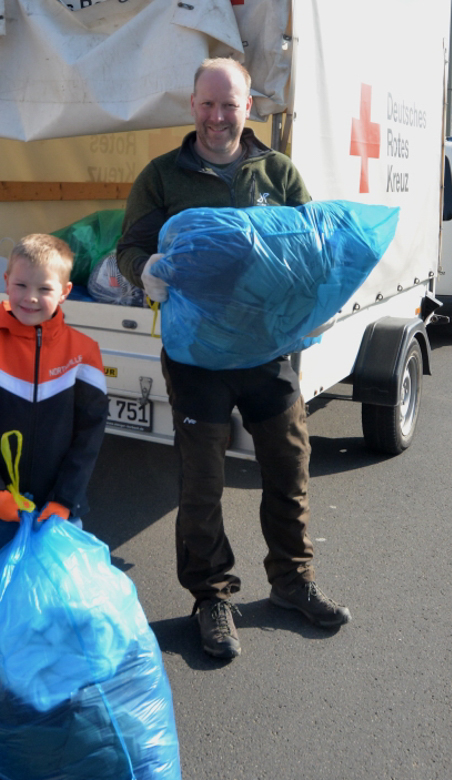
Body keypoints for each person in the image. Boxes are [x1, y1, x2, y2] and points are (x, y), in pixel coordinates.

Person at [116, 56, 351, 661]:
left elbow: (313, 252)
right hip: (196, 356)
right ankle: (211, 597)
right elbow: (130, 247)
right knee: (203, 481)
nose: (218, 116)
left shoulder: (276, 174)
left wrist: (314, 307)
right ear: (192, 104)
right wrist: (145, 272)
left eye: (231, 104)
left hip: (268, 349)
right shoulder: (163, 176)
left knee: (289, 466)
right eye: (208, 103)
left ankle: (293, 582)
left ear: (250, 107)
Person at [0, 234, 109, 559]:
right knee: (9, 592)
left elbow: (89, 437)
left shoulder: (84, 352)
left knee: (59, 590)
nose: (31, 298)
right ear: (7, 281)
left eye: (45, 289)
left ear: (65, 292)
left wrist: (66, 499)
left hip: (60, 508)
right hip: (0, 508)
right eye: (21, 285)